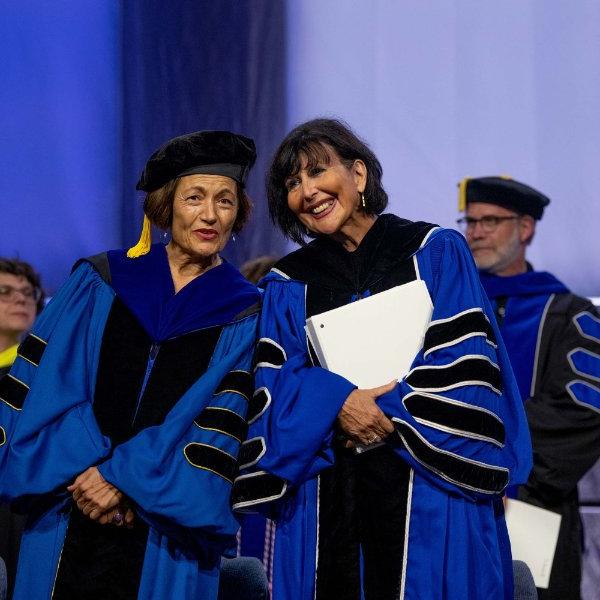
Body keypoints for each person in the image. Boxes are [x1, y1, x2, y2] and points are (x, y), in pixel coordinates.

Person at [231, 118, 532, 600]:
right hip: (326, 492)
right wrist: (339, 402)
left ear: (359, 175)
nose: (307, 190)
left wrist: (383, 411)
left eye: (316, 171)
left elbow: (468, 364)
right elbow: (275, 383)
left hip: (430, 483)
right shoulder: (286, 285)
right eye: (292, 183)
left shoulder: (433, 252)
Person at [0, 130, 261, 600]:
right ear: (165, 207)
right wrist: (89, 474)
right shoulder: (100, 280)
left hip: (166, 531)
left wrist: (123, 479)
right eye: (194, 198)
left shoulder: (246, 312)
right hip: (66, 505)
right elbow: (49, 385)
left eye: (225, 201)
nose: (209, 214)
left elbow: (218, 422)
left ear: (238, 213)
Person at [457, 176, 600, 600]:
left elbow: (582, 411)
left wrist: (498, 464)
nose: (476, 231)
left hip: (534, 506)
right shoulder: (451, 307)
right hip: (455, 505)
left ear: (526, 228)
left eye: (490, 221)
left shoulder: (570, 314)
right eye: (470, 221)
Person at [0, 258, 44, 599]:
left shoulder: (42, 372)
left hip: (16, 509)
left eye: (29, 293)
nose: (21, 299)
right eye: (6, 292)